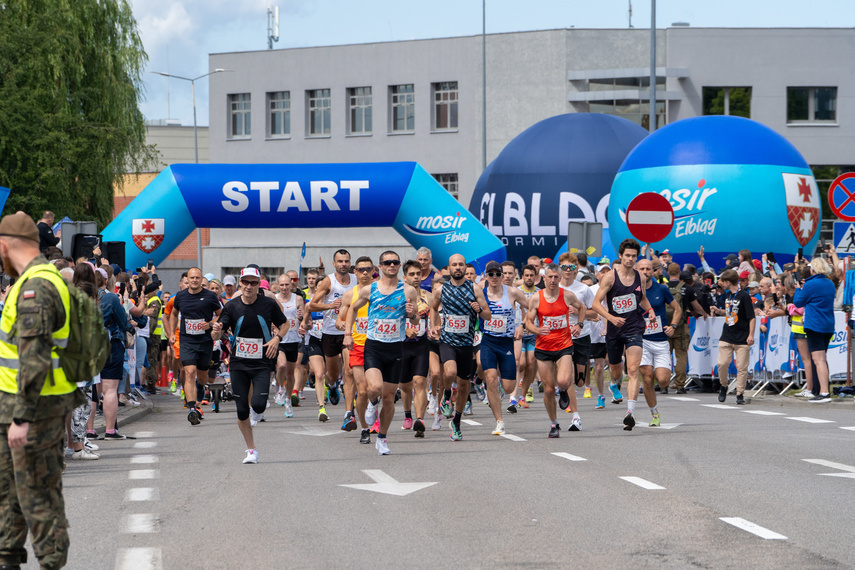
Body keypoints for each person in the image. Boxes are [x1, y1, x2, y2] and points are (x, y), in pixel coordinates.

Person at [0, 212, 85, 569]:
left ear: (5, 245)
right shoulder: (33, 281)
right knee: (11, 493)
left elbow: (33, 357)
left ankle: (50, 563)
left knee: (37, 493)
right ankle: (8, 558)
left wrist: (22, 416)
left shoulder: (37, 286)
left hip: (33, 410)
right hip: (22, 407)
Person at [213, 267, 289, 463]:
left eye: (253, 282)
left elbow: (286, 324)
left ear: (258, 284)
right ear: (240, 283)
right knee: (241, 410)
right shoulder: (231, 307)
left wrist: (277, 339)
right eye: (245, 282)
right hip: (238, 363)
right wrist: (216, 331)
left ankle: (257, 412)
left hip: (262, 362)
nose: (248, 286)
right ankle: (251, 450)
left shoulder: (268, 304)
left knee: (258, 405)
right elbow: (217, 334)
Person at [348, 251, 419, 455]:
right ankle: (371, 403)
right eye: (387, 262)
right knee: (375, 387)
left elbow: (415, 320)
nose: (391, 265)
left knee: (388, 398)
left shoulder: (408, 290)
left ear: (398, 266)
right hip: (374, 346)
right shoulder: (370, 290)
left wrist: (412, 314)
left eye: (395, 262)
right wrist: (347, 333)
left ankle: (382, 438)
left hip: (395, 347)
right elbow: (353, 309)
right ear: (380, 266)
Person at [592, 238, 655, 431]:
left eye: (633, 256)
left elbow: (641, 298)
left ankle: (630, 413)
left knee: (634, 370)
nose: (630, 259)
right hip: (614, 329)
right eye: (627, 255)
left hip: (634, 327)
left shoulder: (640, 277)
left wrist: (650, 309)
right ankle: (614, 384)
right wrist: (611, 318)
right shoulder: (610, 277)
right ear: (620, 256)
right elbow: (596, 304)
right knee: (617, 371)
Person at [430, 254, 491, 441]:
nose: (458, 267)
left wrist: (479, 310)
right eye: (454, 265)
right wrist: (434, 326)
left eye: (461, 265)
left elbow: (488, 315)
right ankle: (447, 394)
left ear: (465, 268)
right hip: (448, 340)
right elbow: (433, 308)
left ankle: (456, 421)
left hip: (467, 343)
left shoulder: (475, 289)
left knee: (465, 384)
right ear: (448, 268)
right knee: (449, 373)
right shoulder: (441, 289)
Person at [524, 263, 586, 438]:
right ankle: (554, 423)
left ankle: (564, 391)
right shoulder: (537, 298)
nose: (552, 280)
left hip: (563, 345)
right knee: (549, 389)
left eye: (555, 277)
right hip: (543, 347)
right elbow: (528, 321)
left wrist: (579, 325)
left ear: (560, 278)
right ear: (544, 278)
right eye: (549, 277)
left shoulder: (567, 295)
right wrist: (537, 330)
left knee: (564, 380)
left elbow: (582, 308)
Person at [164, 267, 222, 425]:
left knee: (202, 377)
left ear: (201, 279)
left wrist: (210, 324)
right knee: (189, 371)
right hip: (187, 340)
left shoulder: (210, 296)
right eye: (192, 278)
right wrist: (171, 333)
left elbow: (221, 314)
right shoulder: (180, 296)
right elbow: (173, 314)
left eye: (197, 277)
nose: (195, 280)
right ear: (187, 280)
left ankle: (199, 392)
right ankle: (192, 408)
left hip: (205, 341)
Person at [479, 261, 528, 435]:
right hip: (488, 341)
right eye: (490, 274)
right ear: (486, 276)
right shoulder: (481, 293)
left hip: (507, 342)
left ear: (502, 276)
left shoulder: (512, 292)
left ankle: (498, 389)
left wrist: (522, 325)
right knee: (490, 377)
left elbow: (531, 307)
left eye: (497, 274)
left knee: (508, 387)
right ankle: (499, 421)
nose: (494, 278)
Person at [306, 250, 356, 420]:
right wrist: (330, 305)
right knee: (332, 373)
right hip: (330, 332)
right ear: (334, 264)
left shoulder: (356, 280)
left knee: (349, 370)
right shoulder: (329, 281)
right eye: (340, 261)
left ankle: (349, 411)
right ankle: (333, 385)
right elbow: (311, 306)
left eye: (346, 261)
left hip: (350, 332)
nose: (344, 264)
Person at [637, 259, 682, 425]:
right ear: (636, 270)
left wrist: (673, 326)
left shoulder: (661, 289)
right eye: (642, 268)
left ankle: (656, 375)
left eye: (648, 269)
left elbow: (677, 309)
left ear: (654, 271)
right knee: (647, 378)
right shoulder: (632, 291)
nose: (646, 271)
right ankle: (654, 414)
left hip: (661, 340)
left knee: (663, 381)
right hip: (641, 341)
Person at [339, 257, 376, 441]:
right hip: (358, 346)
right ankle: (364, 427)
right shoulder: (349, 295)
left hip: (379, 345)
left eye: (368, 269)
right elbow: (340, 319)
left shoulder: (381, 291)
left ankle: (373, 407)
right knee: (362, 390)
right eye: (361, 269)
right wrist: (345, 329)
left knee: (375, 389)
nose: (364, 273)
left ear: (373, 270)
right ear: (355, 272)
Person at [793, 257, 836, 403]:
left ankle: (824, 392)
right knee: (822, 359)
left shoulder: (810, 284)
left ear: (813, 269)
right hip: (828, 324)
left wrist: (799, 288)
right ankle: (822, 390)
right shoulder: (830, 283)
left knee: (818, 360)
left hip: (815, 324)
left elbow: (798, 302)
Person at [716, 269, 756, 405]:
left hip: (742, 337)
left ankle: (740, 393)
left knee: (742, 367)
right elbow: (731, 312)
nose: (721, 284)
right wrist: (719, 311)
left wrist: (751, 335)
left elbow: (751, 317)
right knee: (722, 363)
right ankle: (724, 385)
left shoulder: (744, 296)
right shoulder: (728, 295)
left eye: (723, 282)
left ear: (728, 282)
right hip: (727, 335)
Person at [274, 273, 305, 418]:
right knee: (281, 366)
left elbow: (304, 318)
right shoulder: (274, 299)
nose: (284, 287)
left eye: (287, 284)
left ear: (291, 284)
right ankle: (279, 388)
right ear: (278, 286)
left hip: (293, 339)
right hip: (280, 339)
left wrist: (301, 318)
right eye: (282, 285)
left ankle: (288, 401)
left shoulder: (297, 298)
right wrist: (273, 327)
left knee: (291, 373)